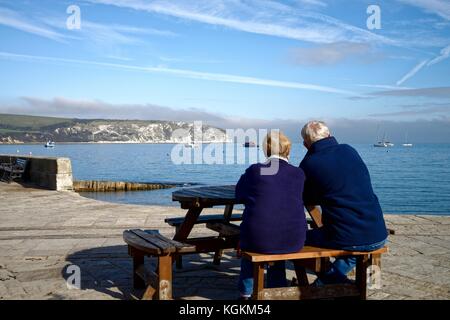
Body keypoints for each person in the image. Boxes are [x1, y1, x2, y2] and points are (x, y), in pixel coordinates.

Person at [300, 121, 388, 285]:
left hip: (346, 238)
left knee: (292, 238)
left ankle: (318, 288)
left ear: (306, 144)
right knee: (352, 251)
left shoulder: (310, 163)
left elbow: (306, 198)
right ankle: (340, 285)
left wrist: (309, 154)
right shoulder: (349, 150)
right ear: (330, 134)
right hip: (378, 233)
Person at [236, 131, 307, 299]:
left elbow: (239, 194)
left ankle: (246, 293)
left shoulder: (255, 170)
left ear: (266, 151)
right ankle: (277, 287)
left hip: (258, 239)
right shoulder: (299, 173)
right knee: (278, 230)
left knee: (252, 241)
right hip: (294, 239)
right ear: (288, 150)